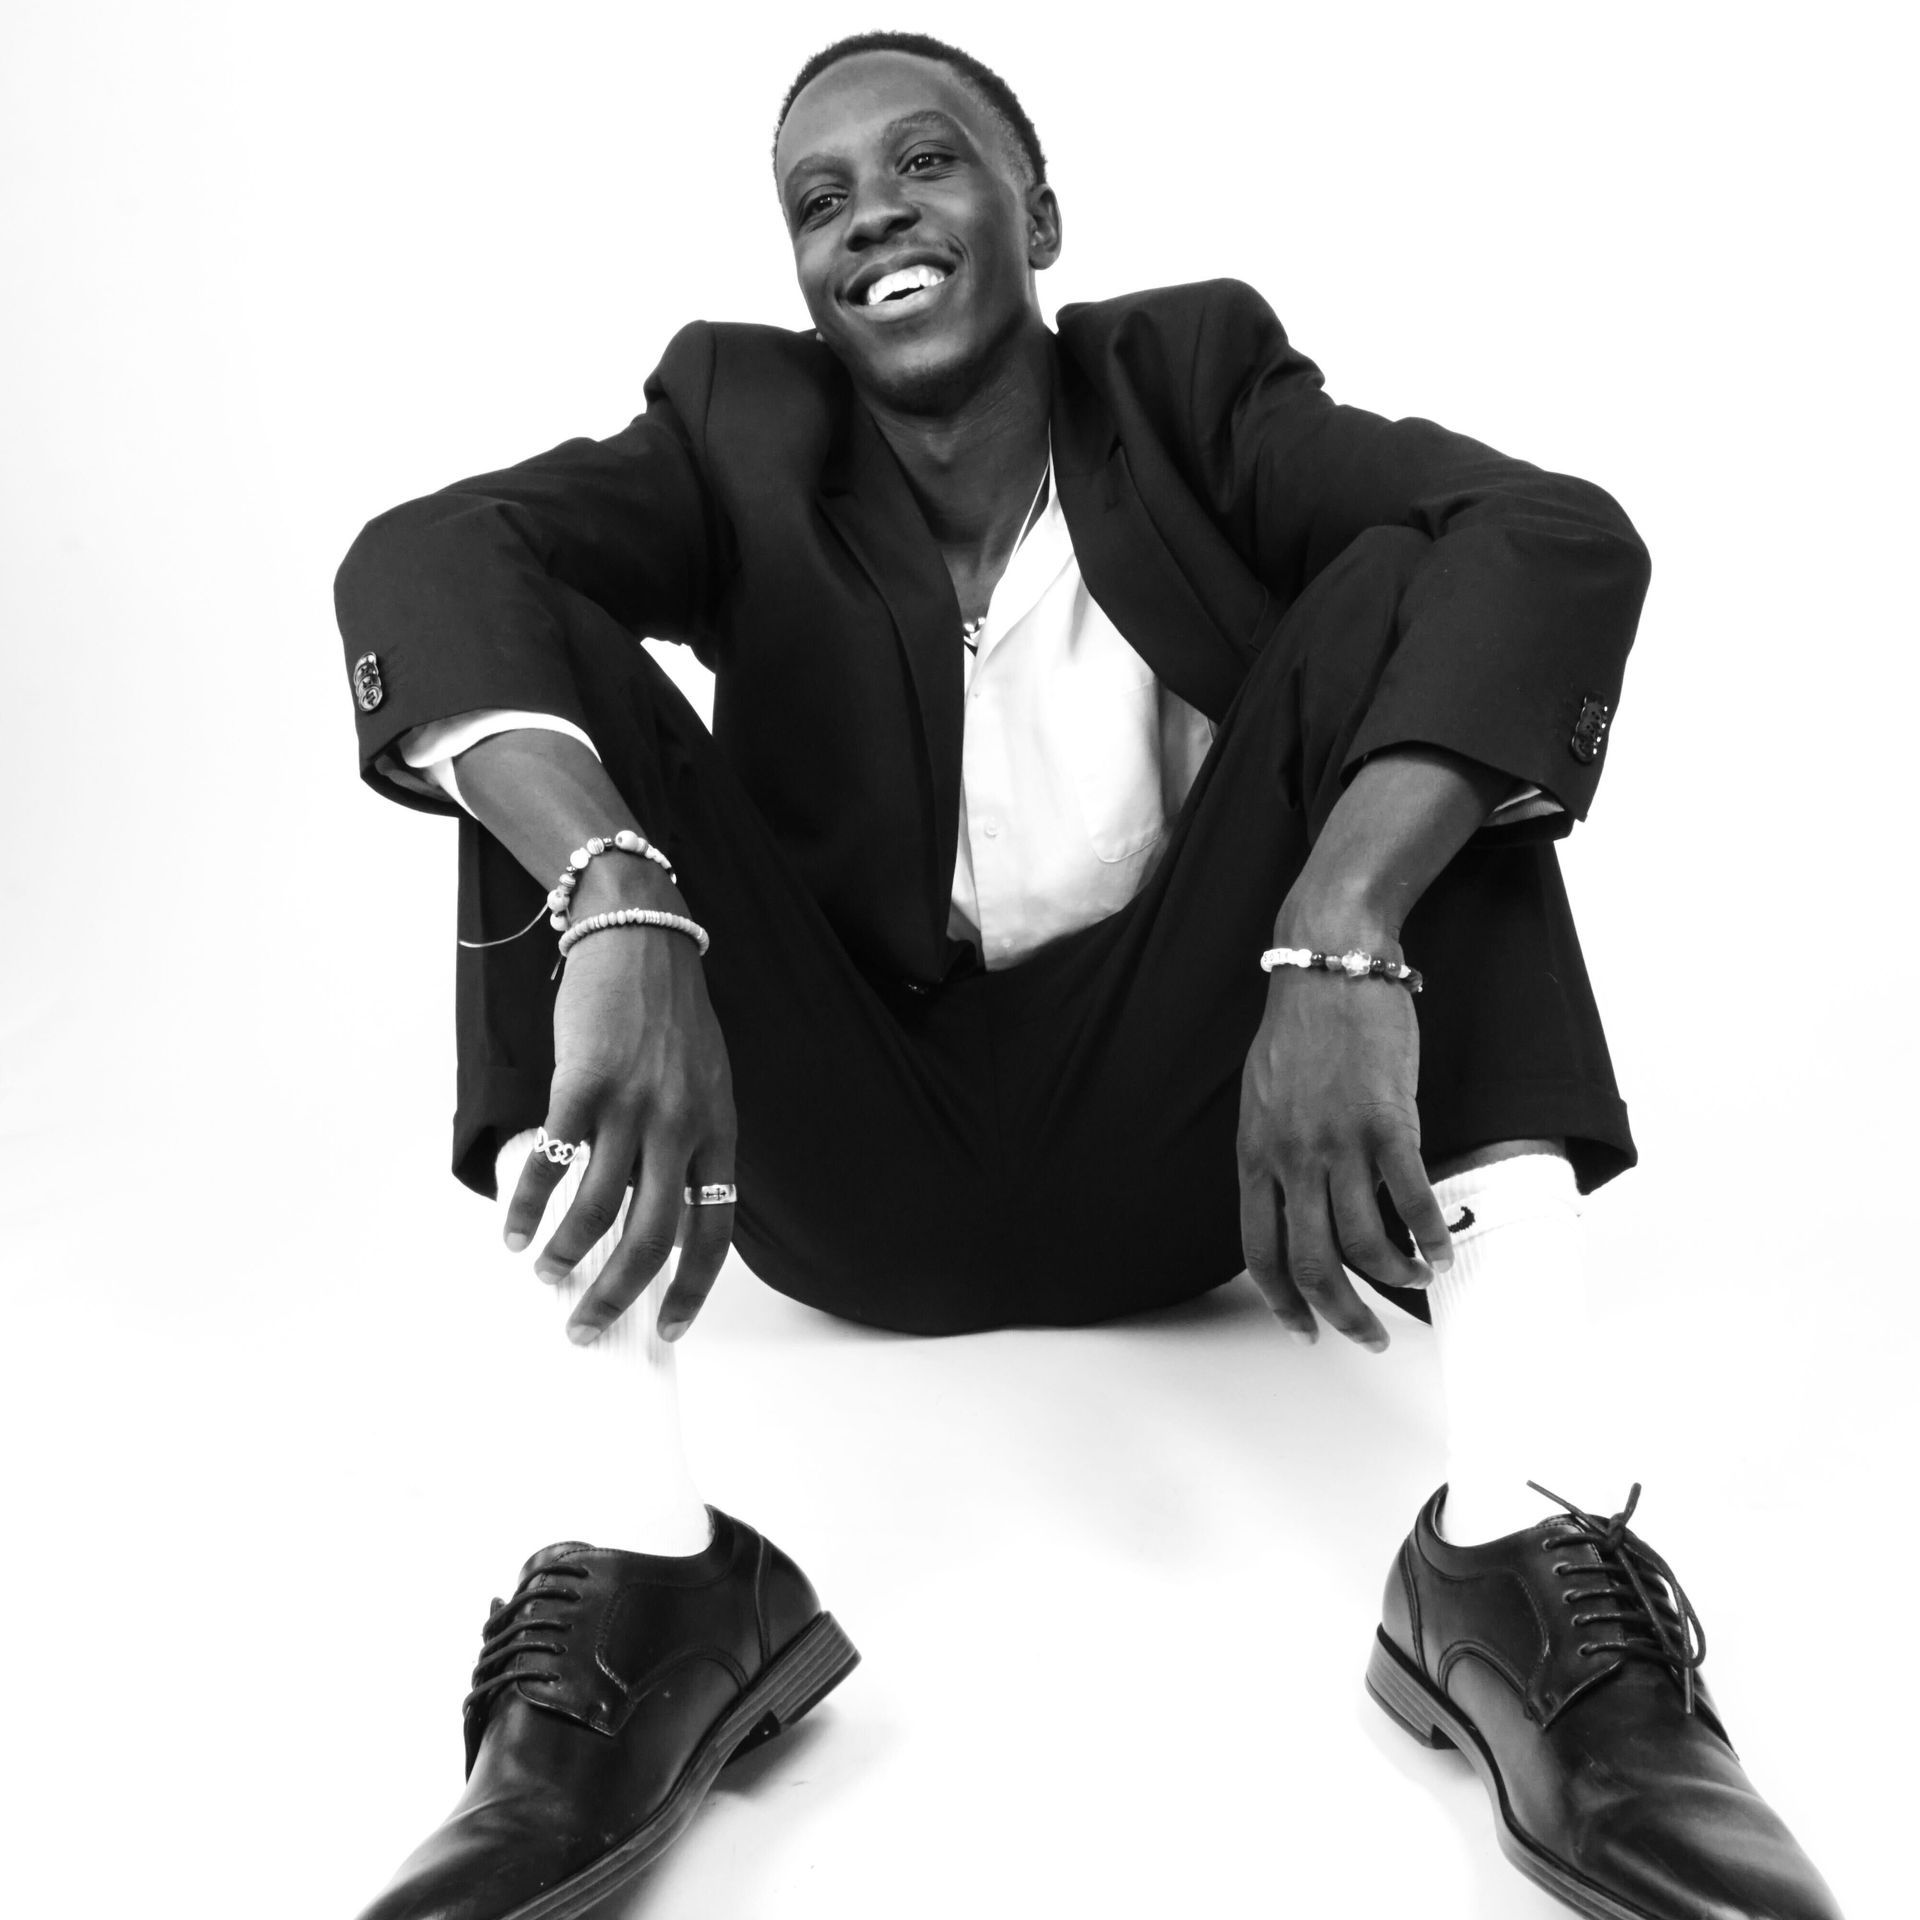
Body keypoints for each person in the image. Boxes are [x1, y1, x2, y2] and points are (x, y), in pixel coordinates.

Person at [332, 30, 1843, 1920]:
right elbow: (424, 557)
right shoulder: (738, 427)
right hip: (848, 1154)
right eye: (819, 198)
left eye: (924, 162)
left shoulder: (1190, 384)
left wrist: (1342, 927)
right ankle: (646, 1588)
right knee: (518, 709)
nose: (869, 211)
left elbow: (1547, 537)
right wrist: (620, 892)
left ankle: (1521, 1564)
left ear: (1036, 214)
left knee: (1420, 617)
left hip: (1189, 1141)